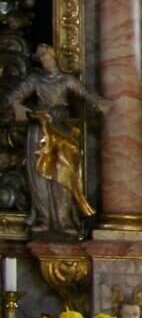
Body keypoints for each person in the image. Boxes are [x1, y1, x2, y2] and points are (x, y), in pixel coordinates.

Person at [4, 45, 104, 237]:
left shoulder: (66, 80)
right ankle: (44, 218)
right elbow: (12, 98)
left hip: (60, 130)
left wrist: (101, 104)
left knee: (62, 175)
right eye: (40, 57)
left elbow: (86, 94)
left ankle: (63, 219)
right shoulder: (35, 80)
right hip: (39, 129)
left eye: (47, 56)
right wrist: (27, 111)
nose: (44, 60)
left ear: (54, 57)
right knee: (38, 177)